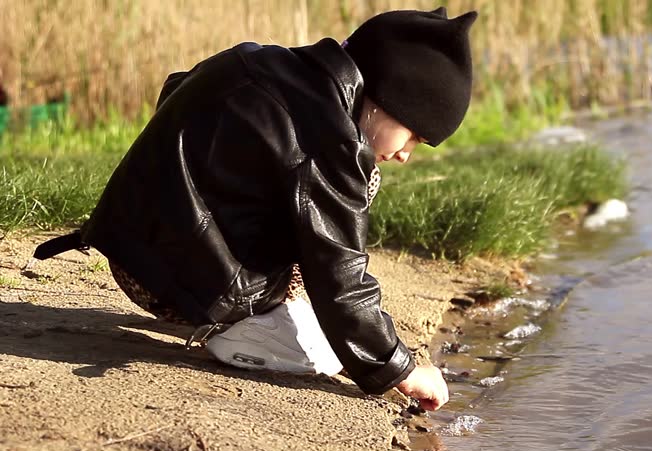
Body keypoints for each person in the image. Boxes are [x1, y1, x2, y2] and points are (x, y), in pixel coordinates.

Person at [32, 7, 477, 411]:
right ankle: (244, 327)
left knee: (319, 201)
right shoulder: (331, 137)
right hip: (170, 285)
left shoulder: (257, 60)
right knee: (323, 349)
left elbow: (176, 89)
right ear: (385, 99)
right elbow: (338, 271)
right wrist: (399, 369)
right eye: (415, 137)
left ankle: (228, 298)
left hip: (128, 249)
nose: (406, 155)